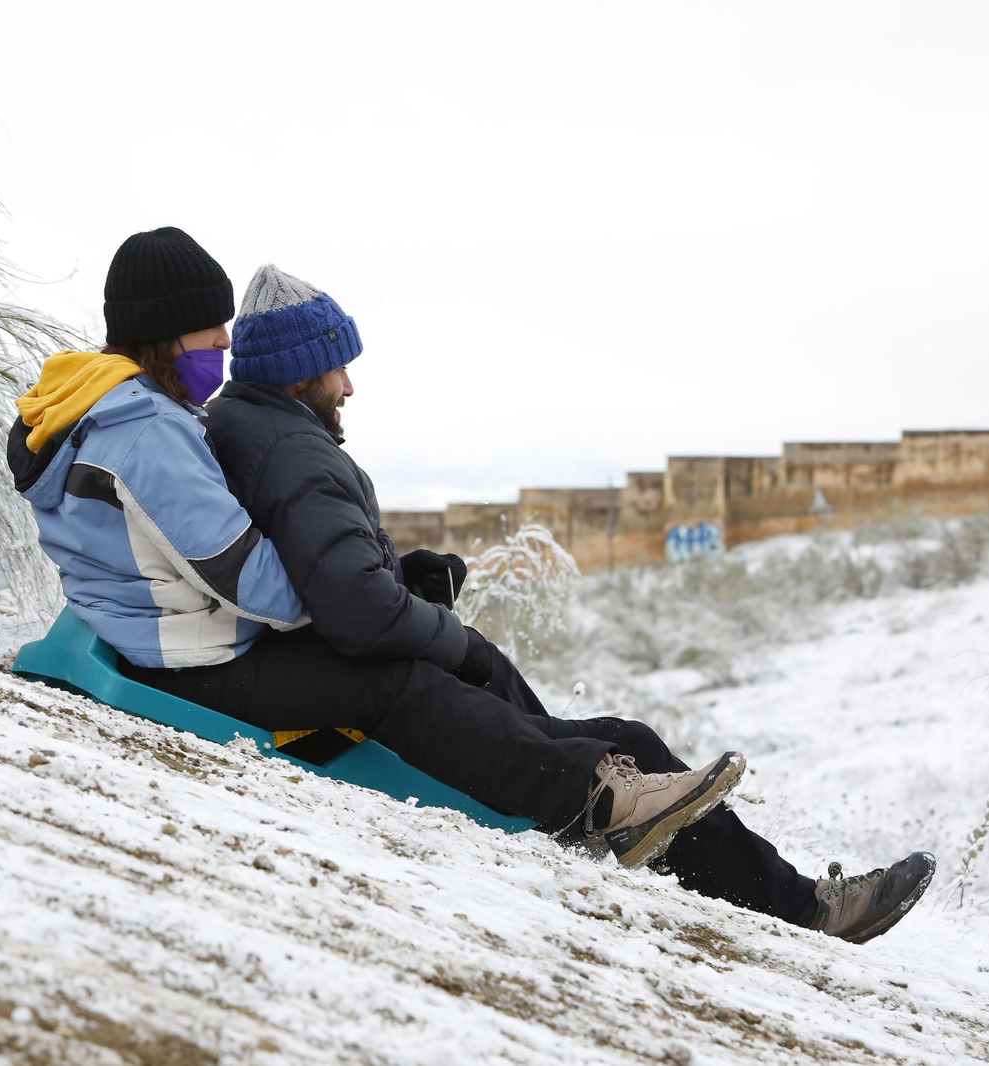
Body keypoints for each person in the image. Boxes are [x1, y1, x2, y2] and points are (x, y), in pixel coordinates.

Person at [122, 262, 935, 944]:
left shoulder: (260, 431)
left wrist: (403, 576)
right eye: (338, 366)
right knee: (629, 746)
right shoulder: (292, 450)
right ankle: (804, 913)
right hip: (367, 681)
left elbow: (314, 575)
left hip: (344, 659)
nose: (351, 384)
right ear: (301, 373)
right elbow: (354, 616)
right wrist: (451, 636)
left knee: (625, 742)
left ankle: (777, 898)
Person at [7, 228, 745, 878]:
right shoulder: (147, 434)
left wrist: (376, 585)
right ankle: (598, 796)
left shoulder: (96, 409)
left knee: (396, 663)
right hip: (192, 655)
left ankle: (601, 781)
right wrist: (343, 605)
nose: (224, 350)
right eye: (210, 335)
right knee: (392, 684)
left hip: (153, 629)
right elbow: (246, 578)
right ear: (165, 336)